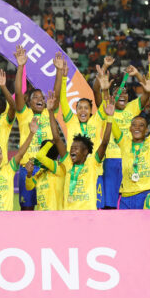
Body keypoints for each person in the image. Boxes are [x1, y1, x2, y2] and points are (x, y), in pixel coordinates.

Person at [35, 93, 115, 210]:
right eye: (72, 147)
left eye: (76, 148)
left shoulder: (93, 163)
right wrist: (51, 112)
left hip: (88, 215)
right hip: (69, 215)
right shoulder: (67, 163)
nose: (72, 150)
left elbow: (105, 142)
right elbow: (57, 138)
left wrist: (110, 118)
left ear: (85, 152)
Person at [55, 52, 109, 209]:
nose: (83, 111)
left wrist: (104, 89)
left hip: (94, 170)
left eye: (86, 108)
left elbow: (106, 106)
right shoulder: (70, 121)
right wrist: (63, 76)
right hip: (74, 169)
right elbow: (62, 99)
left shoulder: (97, 119)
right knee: (74, 202)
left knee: (95, 207)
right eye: (80, 108)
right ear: (76, 110)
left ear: (91, 110)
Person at [97, 55, 150, 209]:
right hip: (112, 159)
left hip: (131, 159)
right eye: (118, 93)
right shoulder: (108, 107)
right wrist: (105, 67)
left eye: (125, 93)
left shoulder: (133, 107)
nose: (122, 95)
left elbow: (147, 93)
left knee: (131, 198)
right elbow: (103, 92)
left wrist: (137, 74)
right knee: (111, 203)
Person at [14, 45, 58, 211]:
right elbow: (18, 92)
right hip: (28, 167)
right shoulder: (24, 114)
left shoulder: (49, 112)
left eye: (42, 97)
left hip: (47, 168)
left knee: (48, 209)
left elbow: (57, 93)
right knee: (27, 209)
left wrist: (59, 71)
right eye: (35, 97)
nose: (40, 99)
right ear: (29, 102)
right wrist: (20, 67)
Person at [111, 72, 150, 210]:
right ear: (130, 128)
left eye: (141, 125)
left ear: (146, 130)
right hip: (126, 195)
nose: (137, 128)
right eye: (134, 125)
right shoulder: (124, 142)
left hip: (147, 194)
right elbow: (112, 122)